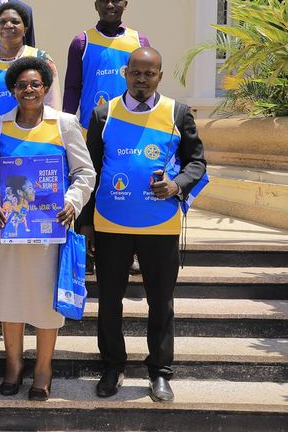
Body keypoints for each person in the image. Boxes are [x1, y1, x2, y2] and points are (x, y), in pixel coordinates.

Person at [77, 47, 207, 403]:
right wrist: (86, 224)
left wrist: (177, 185)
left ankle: (160, 372)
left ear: (159, 76)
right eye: (136, 72)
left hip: (160, 226)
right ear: (125, 73)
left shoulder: (177, 113)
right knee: (109, 302)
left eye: (149, 74)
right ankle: (112, 366)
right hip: (111, 224)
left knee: (161, 302)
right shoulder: (103, 114)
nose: (142, 79)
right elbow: (91, 170)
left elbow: (197, 163)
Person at [0, 56, 96, 401]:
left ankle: (44, 368)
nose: (28, 90)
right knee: (10, 296)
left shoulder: (64, 124)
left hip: (51, 230)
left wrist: (72, 202)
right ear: (12, 90)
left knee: (47, 301)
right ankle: (14, 365)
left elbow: (85, 173)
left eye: (35, 84)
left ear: (45, 88)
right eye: (21, 85)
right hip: (9, 229)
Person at [62, 0, 150, 129]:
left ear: (125, 4)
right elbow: (72, 87)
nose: (110, 5)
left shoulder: (140, 42)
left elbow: (148, 85)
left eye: (116, 0)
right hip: (91, 126)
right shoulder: (82, 42)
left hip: (131, 124)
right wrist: (66, 126)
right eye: (104, 1)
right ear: (96, 5)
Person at [0, 2, 61, 118]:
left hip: (33, 133)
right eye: (2, 22)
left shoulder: (41, 58)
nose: (9, 25)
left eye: (15, 22)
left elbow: (52, 104)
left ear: (25, 29)